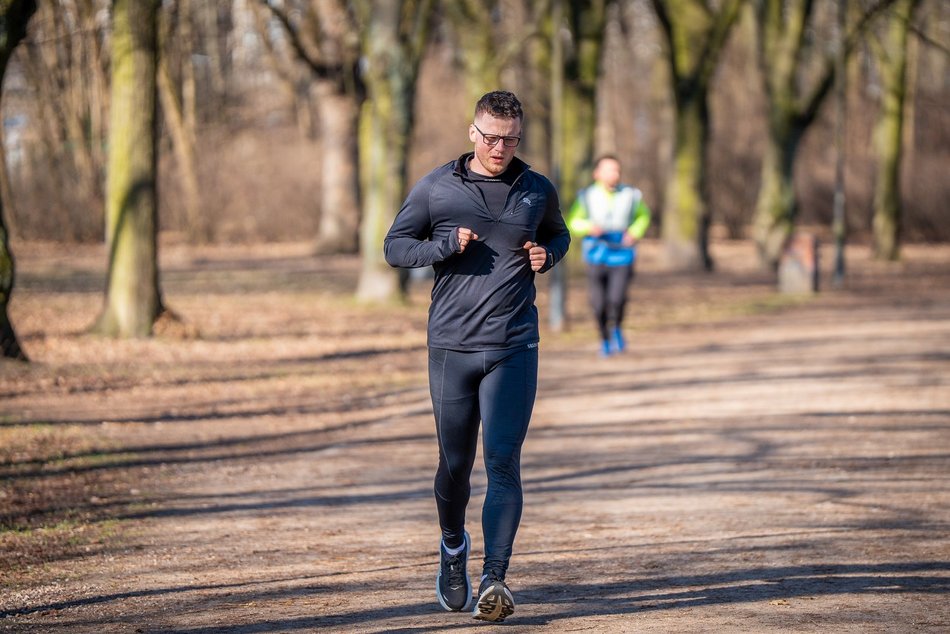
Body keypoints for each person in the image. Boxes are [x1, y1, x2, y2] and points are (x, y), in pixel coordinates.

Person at [384, 90, 570, 622]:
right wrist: (442, 247)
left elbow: (559, 234)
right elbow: (395, 246)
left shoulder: (537, 188)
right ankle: (452, 546)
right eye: (491, 138)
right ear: (473, 133)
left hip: (514, 345)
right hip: (451, 347)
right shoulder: (438, 187)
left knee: (503, 461)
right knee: (455, 465)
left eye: (510, 140)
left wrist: (548, 255)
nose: (500, 148)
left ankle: (495, 579)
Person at [567, 155, 651, 357]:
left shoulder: (631, 195)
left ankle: (617, 328)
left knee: (617, 299)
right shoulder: (586, 196)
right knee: (598, 304)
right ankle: (605, 339)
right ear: (596, 173)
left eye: (617, 170)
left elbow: (643, 216)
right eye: (609, 170)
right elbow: (573, 221)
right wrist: (588, 227)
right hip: (596, 253)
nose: (614, 174)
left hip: (622, 254)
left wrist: (635, 232)